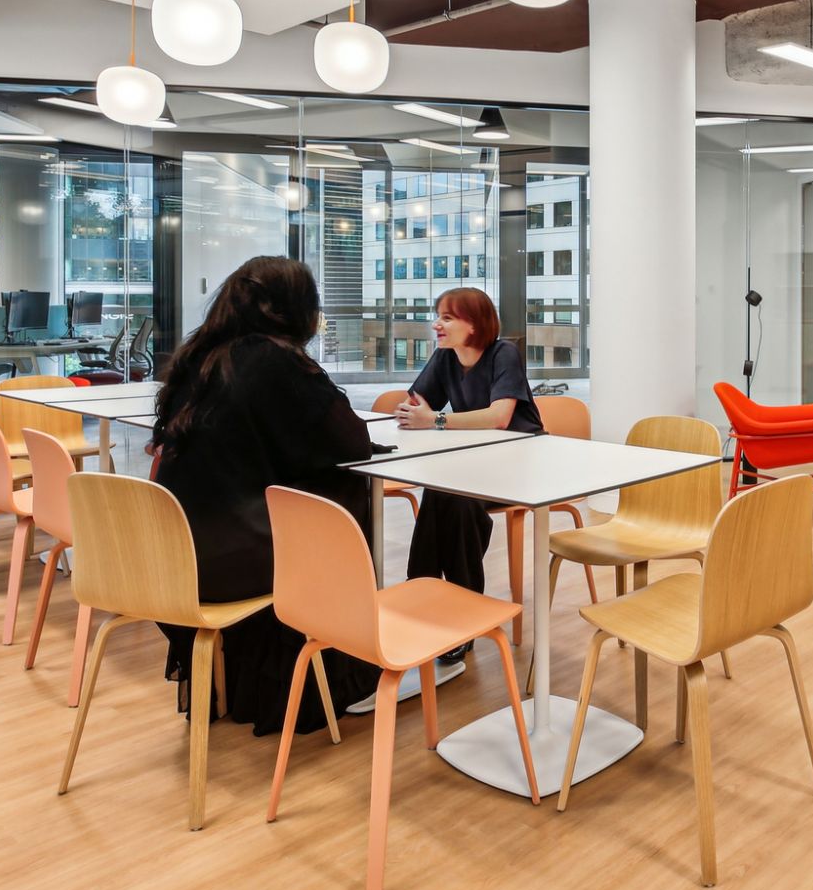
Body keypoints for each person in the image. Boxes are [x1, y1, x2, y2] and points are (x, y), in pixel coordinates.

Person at [151, 256, 383, 735]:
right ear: (295, 309)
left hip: (178, 555)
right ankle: (347, 655)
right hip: (243, 558)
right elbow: (351, 443)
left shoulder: (200, 359)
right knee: (331, 498)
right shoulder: (277, 362)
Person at [395, 286, 544, 672]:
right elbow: (416, 404)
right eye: (438, 316)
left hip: (519, 463)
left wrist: (435, 420)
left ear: (474, 324)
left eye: (447, 318)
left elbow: (499, 417)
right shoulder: (446, 356)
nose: (436, 325)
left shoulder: (503, 353)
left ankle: (451, 611)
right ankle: (431, 600)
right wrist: (416, 413)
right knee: (442, 492)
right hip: (474, 461)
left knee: (456, 498)